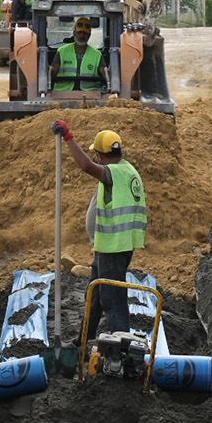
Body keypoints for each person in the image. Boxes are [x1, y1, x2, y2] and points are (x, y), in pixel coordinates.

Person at [49, 123, 147, 344]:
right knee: (94, 297)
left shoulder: (114, 172)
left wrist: (69, 138)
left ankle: (122, 347)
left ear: (100, 156)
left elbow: (85, 166)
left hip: (114, 246)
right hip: (109, 246)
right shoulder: (127, 169)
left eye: (96, 154)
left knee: (112, 298)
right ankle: (83, 341)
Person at [49, 17, 108, 92]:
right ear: (74, 33)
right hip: (63, 93)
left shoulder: (97, 54)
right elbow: (51, 73)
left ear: (89, 35)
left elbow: (106, 76)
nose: (82, 36)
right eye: (79, 32)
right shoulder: (62, 51)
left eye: (85, 33)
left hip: (90, 95)